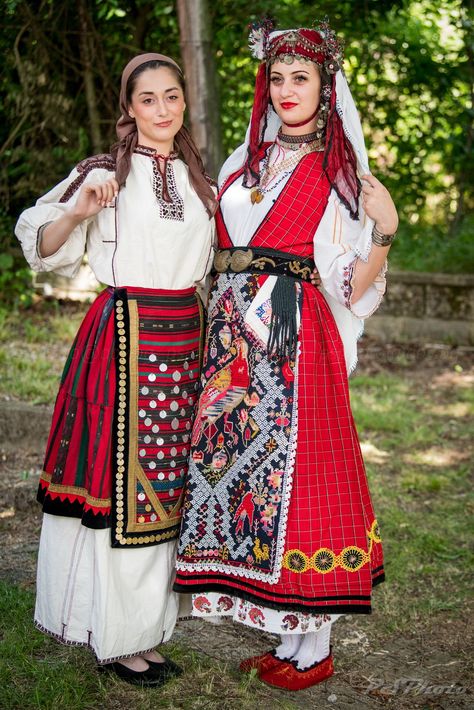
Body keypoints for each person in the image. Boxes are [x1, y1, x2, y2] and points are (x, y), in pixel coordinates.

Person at [174, 20, 398, 691]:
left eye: (301, 77)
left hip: (295, 336)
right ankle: (285, 634)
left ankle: (316, 647)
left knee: (301, 483)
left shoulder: (339, 174)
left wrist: (383, 234)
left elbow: (352, 287)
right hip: (233, 335)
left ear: (326, 87)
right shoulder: (242, 164)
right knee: (249, 483)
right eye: (276, 78)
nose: (286, 90)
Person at [15, 52, 216, 687]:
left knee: (170, 487)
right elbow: (40, 244)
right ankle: (119, 636)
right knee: (125, 488)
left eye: (173, 97)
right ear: (129, 108)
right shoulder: (105, 172)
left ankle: (150, 628)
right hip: (126, 340)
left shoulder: (199, 176)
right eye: (149, 98)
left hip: (185, 337)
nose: (163, 109)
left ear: (184, 103)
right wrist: (78, 210)